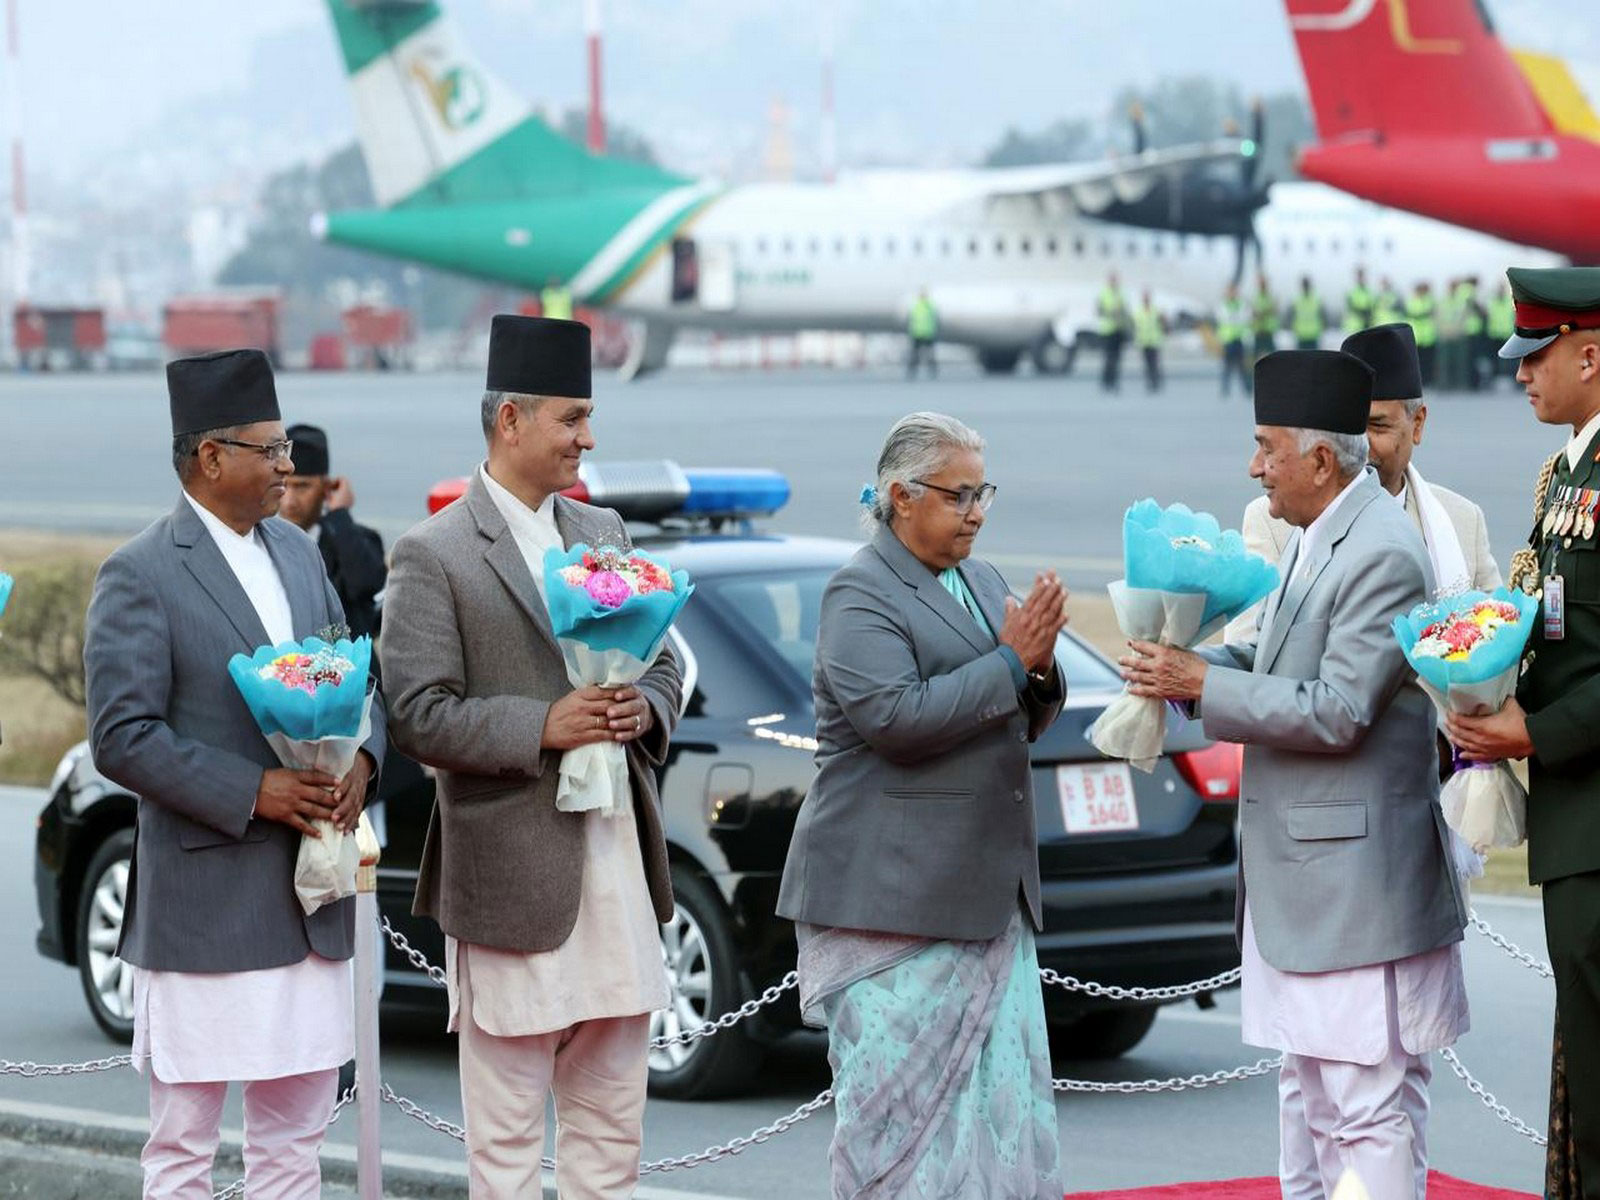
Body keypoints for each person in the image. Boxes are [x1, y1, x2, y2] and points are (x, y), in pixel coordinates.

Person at [1123, 350, 1468, 1200]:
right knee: (1316, 1106)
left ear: (1319, 459)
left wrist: (1205, 686)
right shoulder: (1321, 535)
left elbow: (1340, 709)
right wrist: (1189, 668)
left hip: (1352, 890)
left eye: (1265, 447)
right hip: (1312, 888)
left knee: (1364, 1114)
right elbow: (1278, 661)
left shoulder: (1381, 550)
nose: (1254, 467)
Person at [380, 315, 682, 1198]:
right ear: (510, 420)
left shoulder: (603, 528)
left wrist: (640, 708)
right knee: (506, 1149)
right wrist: (546, 725)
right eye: (572, 418)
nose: (588, 439)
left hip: (617, 868)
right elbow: (415, 716)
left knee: (612, 1135)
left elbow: (665, 661)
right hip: (509, 882)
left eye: (590, 419)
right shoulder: (433, 553)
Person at [83, 349, 385, 1198]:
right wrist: (256, 791)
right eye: (272, 449)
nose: (290, 466)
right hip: (207, 911)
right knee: (184, 1147)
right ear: (211, 457)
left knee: (294, 1145)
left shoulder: (299, 553)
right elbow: (121, 736)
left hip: (311, 902)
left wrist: (362, 762)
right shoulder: (140, 571)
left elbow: (356, 679)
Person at [777, 411, 1068, 1198]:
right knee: (900, 1143)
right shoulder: (859, 592)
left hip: (986, 895)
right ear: (902, 497)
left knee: (996, 1127)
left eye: (983, 493)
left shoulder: (983, 580)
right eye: (957, 495)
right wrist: (1013, 661)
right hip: (895, 902)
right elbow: (895, 720)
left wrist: (1040, 670)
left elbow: (1023, 707)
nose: (976, 513)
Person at [1449, 266, 1600, 1197]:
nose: (1519, 373)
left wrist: (1536, 734)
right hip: (1574, 818)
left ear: (1590, 356)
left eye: (1537, 355)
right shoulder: (1567, 474)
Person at [1225, 322, 1502, 645]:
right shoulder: (1274, 523)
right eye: (1352, 429)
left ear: (1417, 424)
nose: (1360, 445)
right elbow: (1248, 654)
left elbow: (1498, 635)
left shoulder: (1461, 521)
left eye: (1378, 427)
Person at [279, 424, 387, 639]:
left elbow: (367, 584)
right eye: (284, 485)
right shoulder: (262, 542)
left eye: (302, 486)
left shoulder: (358, 540)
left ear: (326, 488)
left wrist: (339, 514)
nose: (289, 501)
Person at [1097, 272, 1129, 393]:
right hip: (1107, 331)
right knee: (1108, 358)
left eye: (1115, 280)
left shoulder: (1121, 293)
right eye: (1112, 280)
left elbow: (1125, 310)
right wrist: (1110, 313)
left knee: (1117, 358)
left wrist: (1121, 315)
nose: (1113, 282)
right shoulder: (1104, 293)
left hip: (1118, 330)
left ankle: (1114, 381)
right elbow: (1099, 310)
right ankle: (1106, 381)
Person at [1218, 282, 1252, 397]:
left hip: (1239, 339)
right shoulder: (1223, 305)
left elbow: (1245, 318)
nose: (1232, 293)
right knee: (1227, 367)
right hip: (1228, 340)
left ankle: (1247, 389)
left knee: (1242, 367)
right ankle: (1225, 389)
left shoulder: (1241, 304)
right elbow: (1224, 318)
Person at [1406, 281, 1438, 386]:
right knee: (1417, 361)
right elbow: (1414, 313)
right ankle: (1419, 380)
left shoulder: (1429, 300)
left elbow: (1433, 312)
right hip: (1417, 336)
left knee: (1428, 360)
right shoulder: (1413, 300)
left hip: (1428, 336)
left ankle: (1428, 380)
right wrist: (1425, 313)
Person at [1134, 288, 1166, 392]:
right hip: (1144, 341)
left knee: (1155, 363)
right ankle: (1150, 382)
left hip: (1154, 340)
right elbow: (1136, 326)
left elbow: (1162, 323)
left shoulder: (1155, 310)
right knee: (1147, 364)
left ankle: (1156, 382)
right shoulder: (1139, 311)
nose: (1146, 299)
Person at [907, 286, 939, 379]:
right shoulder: (920, 306)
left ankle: (932, 372)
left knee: (928, 355)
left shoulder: (927, 306)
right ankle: (913, 372)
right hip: (919, 333)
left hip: (925, 333)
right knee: (916, 355)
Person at [1290, 275, 1325, 350]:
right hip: (1301, 335)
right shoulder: (1296, 301)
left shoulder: (1317, 300)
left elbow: (1322, 316)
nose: (1306, 287)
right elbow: (1291, 316)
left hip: (1313, 335)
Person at [1251, 273, 1279, 363]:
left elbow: (1274, 310)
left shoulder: (1271, 297)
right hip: (1259, 331)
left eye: (1264, 283)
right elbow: (1253, 313)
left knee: (1273, 357)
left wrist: (1262, 313)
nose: (1262, 285)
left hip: (1268, 330)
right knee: (1256, 357)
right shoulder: (1255, 297)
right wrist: (1266, 312)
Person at [1343, 267, 1375, 335]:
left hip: (1367, 327)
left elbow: (1372, 309)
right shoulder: (1351, 293)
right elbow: (1351, 308)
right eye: (1359, 276)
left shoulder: (1370, 292)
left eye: (1362, 276)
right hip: (1355, 328)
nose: (1361, 278)